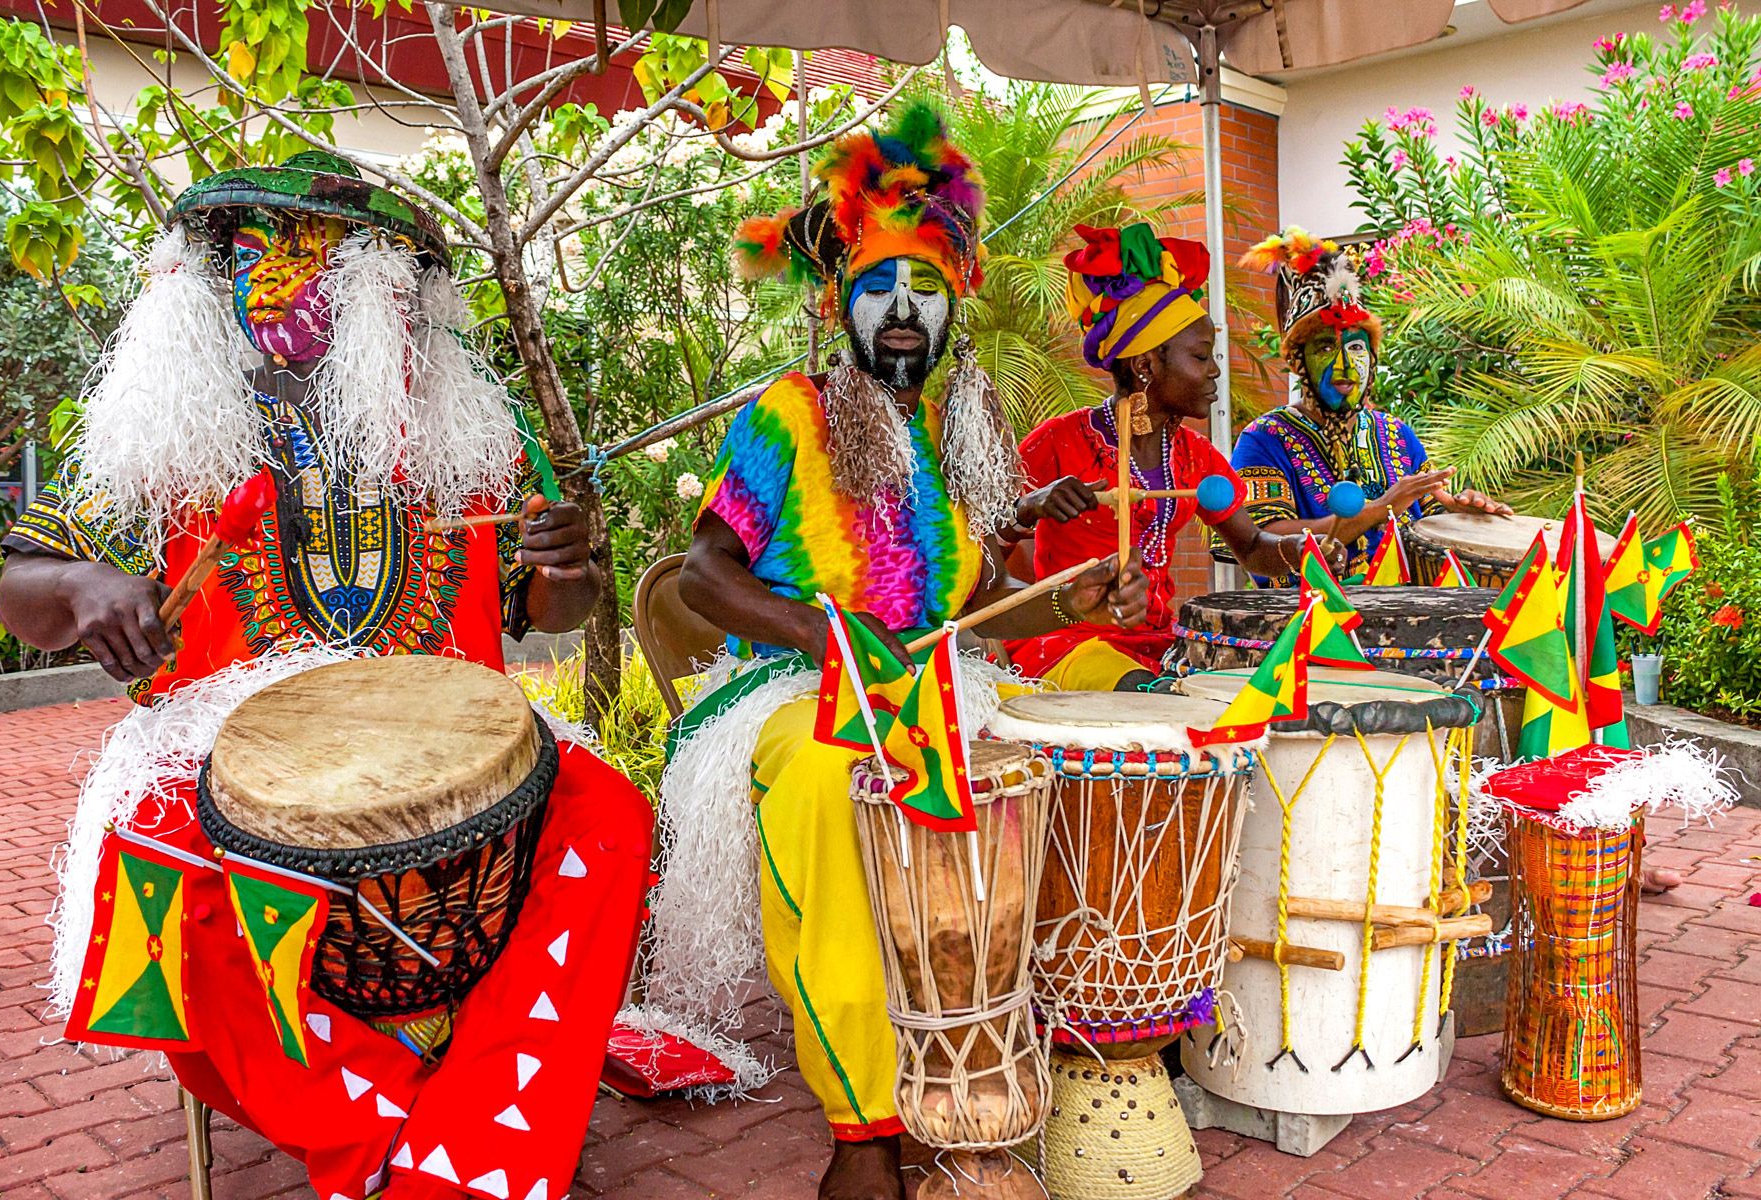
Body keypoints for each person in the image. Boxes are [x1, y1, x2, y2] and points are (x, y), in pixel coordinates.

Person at [0, 152, 652, 1200]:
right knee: (157, 865)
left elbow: (547, 613)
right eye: (247, 259)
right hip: (219, 757)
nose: (273, 289)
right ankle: (439, 1148)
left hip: (457, 762)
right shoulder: (164, 432)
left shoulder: (467, 436)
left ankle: (445, 1150)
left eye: (313, 265)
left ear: (387, 297)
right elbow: (18, 587)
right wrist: (84, 588)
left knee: (606, 814)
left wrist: (568, 568)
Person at [639, 104, 1148, 1200]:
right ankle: (866, 1132)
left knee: (1119, 708)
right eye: (881, 287)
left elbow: (986, 608)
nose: (905, 308)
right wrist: (832, 640)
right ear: (842, 303)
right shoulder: (795, 412)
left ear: (953, 310)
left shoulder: (967, 426)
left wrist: (1082, 599)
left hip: (940, 679)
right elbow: (702, 577)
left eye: (926, 290)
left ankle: (1080, 1050)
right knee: (836, 778)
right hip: (795, 685)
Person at [1002, 222, 1350, 691]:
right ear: (1146, 365)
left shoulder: (1196, 457)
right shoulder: (1058, 443)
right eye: (1202, 357)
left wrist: (1295, 551)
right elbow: (984, 549)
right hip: (1068, 644)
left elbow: (1249, 547)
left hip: (1159, 643)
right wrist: (1028, 508)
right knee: (1148, 694)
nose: (1215, 373)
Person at [1231, 227, 1512, 584]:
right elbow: (1264, 544)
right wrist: (1377, 510)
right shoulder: (1264, 439)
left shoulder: (1396, 433)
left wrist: (1459, 513)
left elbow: (1429, 520)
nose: (1345, 365)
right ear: (1299, 361)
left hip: (1406, 621)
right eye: (1324, 348)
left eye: (1357, 348)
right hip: (1310, 627)